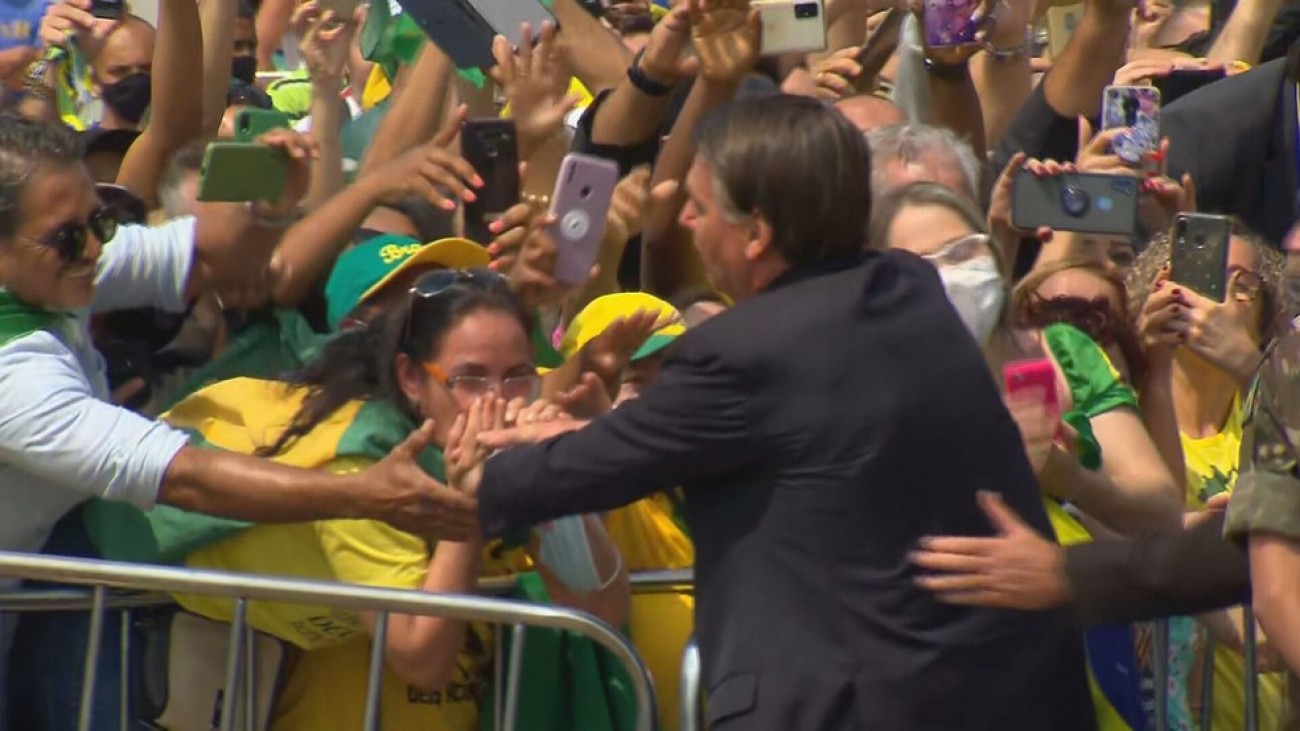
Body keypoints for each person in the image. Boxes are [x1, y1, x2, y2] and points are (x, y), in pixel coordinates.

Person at [450, 94, 1094, 730]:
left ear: (757, 232)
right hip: (1007, 693)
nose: (687, 226)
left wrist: (488, 471)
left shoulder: (744, 353)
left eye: (700, 210)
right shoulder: (907, 292)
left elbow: (581, 470)